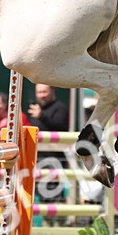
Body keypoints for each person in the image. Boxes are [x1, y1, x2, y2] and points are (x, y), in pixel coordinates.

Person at [28, 84, 70, 213]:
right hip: (37, 159)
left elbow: (61, 127)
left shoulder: (60, 108)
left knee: (54, 196)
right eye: (39, 92)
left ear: (53, 90)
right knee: (40, 196)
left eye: (44, 92)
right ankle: (46, 225)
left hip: (54, 161)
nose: (41, 95)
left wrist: (42, 116)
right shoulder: (37, 109)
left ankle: (58, 224)